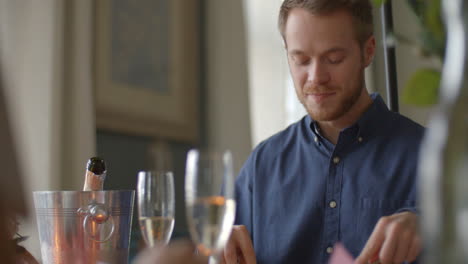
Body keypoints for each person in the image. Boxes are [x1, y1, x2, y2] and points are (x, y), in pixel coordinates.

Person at [222, 0, 424, 264]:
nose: (316, 77)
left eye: (334, 59)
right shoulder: (263, 164)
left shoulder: (430, 155)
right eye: (301, 60)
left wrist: (430, 226)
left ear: (368, 51)